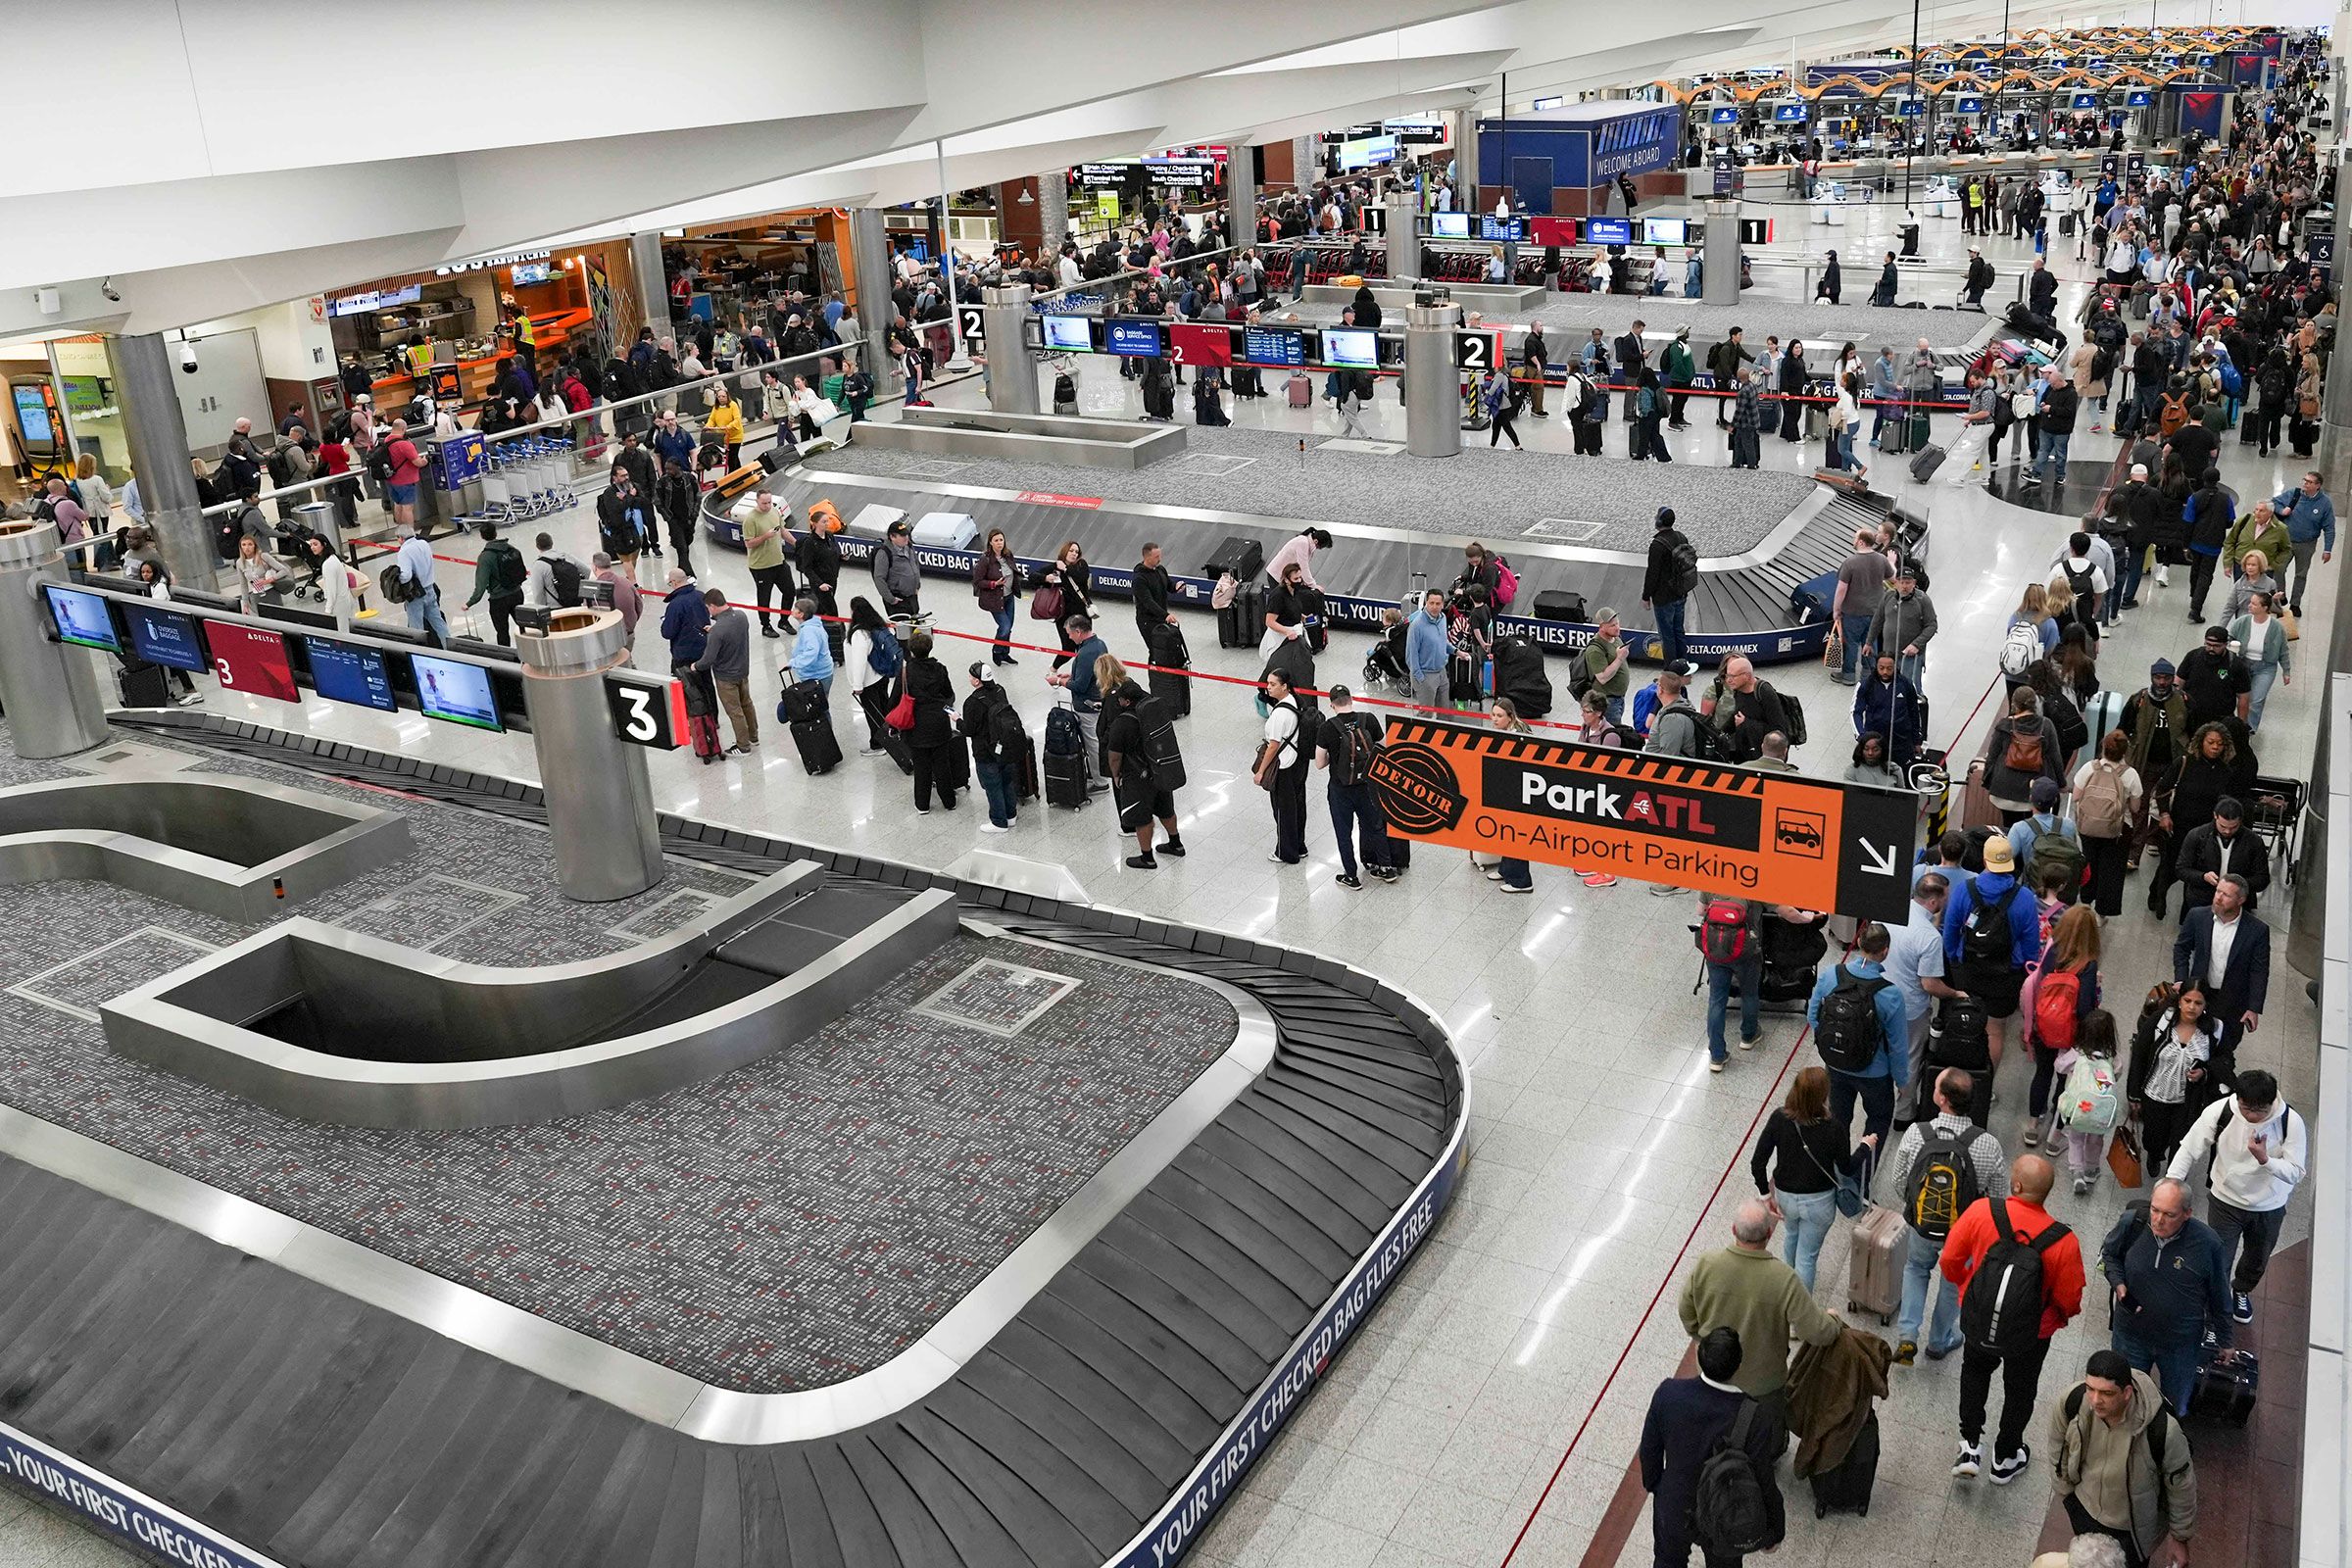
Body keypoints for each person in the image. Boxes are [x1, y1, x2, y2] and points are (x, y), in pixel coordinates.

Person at [1941, 1153, 2086, 1485]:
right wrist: (2053, 1319)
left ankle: (1970, 1446)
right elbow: (2069, 1299)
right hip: (2031, 1333)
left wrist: (1966, 1287)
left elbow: (1950, 1258)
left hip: (1979, 1318)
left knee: (1975, 1372)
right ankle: (2005, 1456)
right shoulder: (2064, 1241)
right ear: (2047, 1192)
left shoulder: (1981, 1211)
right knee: (2021, 1390)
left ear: (2016, 1184)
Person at [1677, 1199, 1843, 1415]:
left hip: (1714, 1374)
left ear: (1734, 1229)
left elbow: (1686, 1312)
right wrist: (1833, 1320)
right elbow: (1816, 1331)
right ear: (1769, 1234)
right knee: (1763, 1437)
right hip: (1765, 1386)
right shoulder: (1784, 1278)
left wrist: (1702, 1339)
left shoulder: (1706, 1264)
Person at [2165, 1066, 2303, 1328]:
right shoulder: (2222, 1111)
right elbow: (2189, 1148)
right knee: (2218, 1259)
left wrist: (2265, 1160)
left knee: (2257, 1258)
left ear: (2271, 1102)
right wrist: (2171, 1184)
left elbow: (2296, 1172)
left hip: (2269, 1206)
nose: (2250, 1115)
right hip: (2225, 1199)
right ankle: (2212, 1311)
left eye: (2258, 1110)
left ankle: (2241, 1290)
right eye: (2245, 1107)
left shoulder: (2290, 1122)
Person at [1639, 1328, 1788, 1568]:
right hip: (1726, 1510)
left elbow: (1649, 1450)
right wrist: (1774, 1529)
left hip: (1675, 1503)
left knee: (1668, 1561)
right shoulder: (1752, 1415)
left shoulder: (1668, 1394)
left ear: (1700, 1355)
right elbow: (1763, 1478)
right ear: (1738, 1365)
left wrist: (1659, 1487)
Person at [2048, 1350, 2199, 1567]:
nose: (2095, 1400)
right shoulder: (2072, 1401)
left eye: (2106, 1393)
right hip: (2083, 1509)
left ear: (2127, 1392)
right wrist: (2066, 1494)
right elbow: (2056, 1444)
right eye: (2090, 1389)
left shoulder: (2163, 1430)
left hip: (2132, 1528)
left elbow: (2182, 1486)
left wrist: (2180, 1537)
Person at [2101, 1178, 2234, 1417]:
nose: (2159, 1220)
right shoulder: (2133, 1222)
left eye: (2169, 1214)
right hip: (2131, 1334)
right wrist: (2119, 1284)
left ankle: (2169, 1441)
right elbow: (2110, 1255)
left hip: (2179, 1343)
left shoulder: (2207, 1244)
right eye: (2155, 1210)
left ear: (2187, 1214)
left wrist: (2226, 1340)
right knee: (2124, 1397)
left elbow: (2219, 1294)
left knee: (2175, 1403)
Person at [1749, 1067, 1870, 1292]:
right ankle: (1800, 1313)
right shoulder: (1834, 1127)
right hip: (1819, 1202)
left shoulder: (1779, 1118)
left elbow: (1758, 1161)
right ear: (1824, 1095)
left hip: (1786, 1197)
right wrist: (1865, 1147)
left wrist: (1765, 1195)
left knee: (1792, 1236)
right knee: (1807, 1257)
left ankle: (1787, 1288)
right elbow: (1846, 1167)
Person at [1943, 836, 2041, 1076]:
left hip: (1970, 969)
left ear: (1985, 861)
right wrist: (2023, 970)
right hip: (2006, 975)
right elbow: (2031, 944)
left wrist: (1955, 959)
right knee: (1995, 1031)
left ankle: (1959, 1079)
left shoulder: (1964, 890)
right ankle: (1986, 1084)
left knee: (1965, 1022)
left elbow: (1951, 930)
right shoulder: (2025, 898)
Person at [1807, 921, 1907, 1152]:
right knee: (1877, 1121)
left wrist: (1834, 1043)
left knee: (1838, 1120)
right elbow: (1898, 1045)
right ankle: (1860, 1180)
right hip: (1875, 1073)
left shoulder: (1831, 974)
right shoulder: (1890, 994)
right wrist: (1902, 1081)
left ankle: (1837, 1168)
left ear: (1859, 943)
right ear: (1886, 951)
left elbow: (1813, 1016)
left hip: (1836, 1065)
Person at [2172, 872, 2269, 1088]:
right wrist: (2181, 979)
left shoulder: (2257, 931)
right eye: (2218, 891)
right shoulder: (2198, 916)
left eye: (2226, 895)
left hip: (2232, 1001)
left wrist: (2253, 1008)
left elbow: (2259, 970)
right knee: (2190, 1038)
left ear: (2240, 900)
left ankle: (2212, 1086)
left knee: (2224, 1047)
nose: (2218, 898)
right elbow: (2182, 948)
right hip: (2199, 993)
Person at [1101, 663, 1183, 868]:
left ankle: (1147, 857)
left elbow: (1114, 756)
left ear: (1127, 701)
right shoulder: (1153, 712)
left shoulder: (1123, 722)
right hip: (1160, 769)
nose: (1118, 701)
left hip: (1137, 776)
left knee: (1142, 817)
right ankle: (1176, 844)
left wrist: (1116, 775)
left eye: (1120, 699)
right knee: (1165, 809)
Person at [1317, 685, 1393, 890]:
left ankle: (1351, 876)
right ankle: (1386, 867)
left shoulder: (1327, 727)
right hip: (1367, 784)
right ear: (1351, 699)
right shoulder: (1368, 719)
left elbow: (1319, 763)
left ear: (1332, 704)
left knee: (1344, 832)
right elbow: (1384, 747)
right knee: (1375, 825)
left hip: (1340, 789)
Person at [2073, 730, 2142, 918]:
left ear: (2103, 747)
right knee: (2111, 871)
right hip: (2117, 830)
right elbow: (2135, 808)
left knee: (2089, 863)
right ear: (2125, 752)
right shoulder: (2130, 775)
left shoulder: (2089, 768)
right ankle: (2102, 913)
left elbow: (2077, 796)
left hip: (2089, 827)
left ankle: (2086, 901)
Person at [1972, 688, 2065, 827]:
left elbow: (1992, 756)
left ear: (2014, 704)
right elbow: (2056, 757)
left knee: (2009, 824)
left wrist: (1987, 780)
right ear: (2035, 703)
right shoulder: (2046, 725)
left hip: (2004, 788)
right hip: (2034, 789)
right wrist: (2061, 784)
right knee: (2032, 826)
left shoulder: (2004, 725)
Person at [897, 630, 960, 811]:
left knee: (921, 766)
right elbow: (948, 693)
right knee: (942, 764)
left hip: (915, 725)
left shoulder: (906, 672)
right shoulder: (940, 669)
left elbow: (896, 698)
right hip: (939, 723)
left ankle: (922, 804)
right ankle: (949, 802)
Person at [2174, 796, 2270, 917]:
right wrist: (2203, 877)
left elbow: (2262, 878)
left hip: (2238, 905)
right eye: (2223, 827)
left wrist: (2238, 885)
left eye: (2233, 827)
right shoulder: (2197, 836)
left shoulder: (2254, 842)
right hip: (2201, 900)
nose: (2228, 832)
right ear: (2215, 816)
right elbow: (2181, 869)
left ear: (2240, 821)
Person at [691, 589, 758, 755]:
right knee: (747, 703)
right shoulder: (741, 616)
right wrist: (714, 630)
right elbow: (731, 633)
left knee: (735, 711)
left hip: (726, 677)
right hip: (743, 670)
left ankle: (743, 746)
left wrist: (695, 666)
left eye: (708, 608)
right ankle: (753, 737)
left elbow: (708, 660)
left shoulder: (718, 631)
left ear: (712, 606)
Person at [1255, 667, 1309, 865]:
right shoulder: (1295, 701)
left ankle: (1286, 852)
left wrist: (1261, 771)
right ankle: (1299, 846)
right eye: (1268, 683)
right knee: (1297, 805)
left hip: (1284, 766)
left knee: (1283, 809)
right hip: (1297, 762)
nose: (1268, 687)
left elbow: (1273, 745)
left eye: (1273, 684)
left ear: (1284, 686)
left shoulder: (1280, 714)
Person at [958, 664, 1018, 833]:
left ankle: (999, 822)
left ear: (977, 681)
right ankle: (1011, 815)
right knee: (1006, 781)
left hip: (985, 751)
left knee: (993, 787)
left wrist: (957, 720)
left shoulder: (972, 702)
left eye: (970, 677)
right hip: (1005, 746)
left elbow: (969, 730)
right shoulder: (1000, 690)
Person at [1830, 528, 1892, 686]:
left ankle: (1849, 675)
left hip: (1853, 611)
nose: (1854, 540)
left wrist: (1836, 609)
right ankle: (1869, 673)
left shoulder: (1850, 562)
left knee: (1852, 643)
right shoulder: (1881, 559)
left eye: (1855, 538)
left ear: (1861, 542)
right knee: (1870, 642)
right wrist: (1891, 563)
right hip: (1876, 611)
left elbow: (1841, 589)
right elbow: (1892, 578)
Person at [1642, 507, 1696, 668]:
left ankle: (1671, 670)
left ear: (1659, 522)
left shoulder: (1657, 545)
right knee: (1678, 631)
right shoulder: (1681, 537)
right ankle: (1683, 664)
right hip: (1680, 593)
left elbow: (1653, 573)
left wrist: (1646, 596)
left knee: (1667, 636)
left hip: (1663, 598)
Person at [2228, 590, 2290, 729]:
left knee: (2256, 700)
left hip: (2266, 667)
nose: (2249, 606)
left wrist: (2286, 671)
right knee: (2239, 696)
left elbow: (2283, 650)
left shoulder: (2277, 627)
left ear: (2265, 608)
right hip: (2243, 663)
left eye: (2254, 604)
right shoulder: (2242, 622)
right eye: (2250, 602)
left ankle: (2248, 729)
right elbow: (2229, 638)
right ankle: (2236, 724)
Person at [1867, 561, 1936, 688]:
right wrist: (1869, 642)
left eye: (1908, 582)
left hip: (1910, 657)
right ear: (1895, 583)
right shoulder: (1888, 597)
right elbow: (1877, 620)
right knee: (1888, 687)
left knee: (1910, 687)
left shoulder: (1922, 600)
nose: (1904, 586)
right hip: (1889, 656)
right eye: (1901, 582)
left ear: (1914, 583)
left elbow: (1931, 625)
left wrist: (1916, 644)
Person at [2274, 469, 2333, 613]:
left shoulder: (2325, 503)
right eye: (2304, 480)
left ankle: (2295, 604)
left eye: (2309, 482)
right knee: (2278, 569)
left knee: (2301, 574)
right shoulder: (2294, 494)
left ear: (2317, 486)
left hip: (2307, 544)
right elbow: (2274, 502)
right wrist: (2283, 511)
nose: (2305, 484)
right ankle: (2281, 595)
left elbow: (2329, 527)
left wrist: (2327, 549)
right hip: (2286, 541)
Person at [1712, 657, 1792, 764]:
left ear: (1747, 676)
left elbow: (1779, 731)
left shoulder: (1764, 692)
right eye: (1727, 675)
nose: (1728, 680)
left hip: (1762, 759)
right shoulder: (1738, 689)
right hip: (1743, 753)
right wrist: (1718, 733)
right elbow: (1738, 714)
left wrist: (1746, 724)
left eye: (1733, 676)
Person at [843, 598, 896, 755]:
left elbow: (859, 661)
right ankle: (891, 736)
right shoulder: (878, 625)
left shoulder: (860, 634)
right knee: (884, 708)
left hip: (868, 681)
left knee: (873, 713)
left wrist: (857, 685)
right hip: (882, 675)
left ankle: (878, 744)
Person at [740, 493, 796, 637]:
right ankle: (765, 626)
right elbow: (748, 543)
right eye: (764, 503)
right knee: (764, 597)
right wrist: (766, 536)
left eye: (769, 502)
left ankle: (784, 620)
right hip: (761, 566)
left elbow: (783, 531)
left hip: (778, 561)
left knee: (790, 591)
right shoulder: (750, 519)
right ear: (757, 501)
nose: (767, 506)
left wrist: (796, 544)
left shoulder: (775, 512)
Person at [464, 523, 528, 646]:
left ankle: (507, 660)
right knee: (523, 627)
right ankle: (531, 654)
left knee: (502, 631)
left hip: (499, 600)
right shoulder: (511, 549)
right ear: (496, 533)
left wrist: (469, 603)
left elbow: (481, 585)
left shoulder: (485, 557)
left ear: (482, 536)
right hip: (517, 593)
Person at [393, 516, 450, 643]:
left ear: (401, 538)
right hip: (430, 589)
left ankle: (419, 654)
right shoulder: (424, 544)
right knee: (439, 623)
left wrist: (397, 582)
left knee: (417, 629)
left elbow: (406, 575)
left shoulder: (404, 551)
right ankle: (451, 648)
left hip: (416, 595)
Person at [1041, 540, 1093, 669]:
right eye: (1071, 551)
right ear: (1065, 551)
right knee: (1068, 649)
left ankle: (1083, 673)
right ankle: (1053, 668)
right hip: (1063, 616)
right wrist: (1046, 578)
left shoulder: (1081, 565)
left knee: (1086, 646)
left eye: (1076, 551)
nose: (1074, 554)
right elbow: (1033, 576)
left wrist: (1066, 568)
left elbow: (1081, 578)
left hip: (1082, 614)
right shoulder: (1056, 567)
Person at [1579, 609, 1632, 723]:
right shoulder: (1595, 649)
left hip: (1619, 698)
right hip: (1607, 701)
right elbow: (1602, 678)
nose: (1617, 627)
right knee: (1611, 735)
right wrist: (1620, 658)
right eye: (1612, 625)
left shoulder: (1616, 638)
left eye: (1617, 623)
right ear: (1602, 627)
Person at [1405, 587, 1449, 713]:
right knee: (1426, 715)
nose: (1434, 607)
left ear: (1442, 604)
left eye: (1438, 604)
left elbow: (1442, 641)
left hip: (1441, 673)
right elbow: (1411, 655)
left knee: (1444, 712)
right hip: (1425, 675)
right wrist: (1420, 678)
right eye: (1431, 603)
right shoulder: (1417, 625)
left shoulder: (1443, 619)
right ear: (1426, 603)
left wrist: (1456, 651)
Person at [871, 518, 922, 622]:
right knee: (903, 633)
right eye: (902, 536)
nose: (906, 538)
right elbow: (879, 578)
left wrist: (917, 585)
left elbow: (916, 564)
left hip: (912, 597)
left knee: (915, 629)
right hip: (897, 600)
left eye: (907, 535)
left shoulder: (909, 547)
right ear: (892, 537)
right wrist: (891, 599)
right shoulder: (884, 553)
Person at [1130, 540, 1176, 654]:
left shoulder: (1160, 570)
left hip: (1161, 617)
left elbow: (1169, 585)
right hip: (1147, 620)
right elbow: (1148, 602)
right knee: (1156, 649)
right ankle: (1155, 669)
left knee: (1166, 648)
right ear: (1147, 557)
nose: (1159, 559)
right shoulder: (1139, 579)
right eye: (1156, 557)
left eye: (1160, 555)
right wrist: (1166, 615)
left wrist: (1176, 587)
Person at [787, 596, 835, 704]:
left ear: (801, 614)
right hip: (823, 672)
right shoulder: (815, 625)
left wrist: (793, 663)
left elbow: (811, 653)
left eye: (795, 609)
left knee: (816, 709)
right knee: (822, 705)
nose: (792, 611)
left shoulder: (809, 631)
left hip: (816, 675)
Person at [380, 417, 424, 534]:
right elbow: (418, 462)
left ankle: (400, 530)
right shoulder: (405, 444)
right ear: (403, 429)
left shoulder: (386, 440)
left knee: (398, 504)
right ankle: (410, 533)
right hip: (406, 480)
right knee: (407, 507)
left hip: (392, 479)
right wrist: (425, 461)